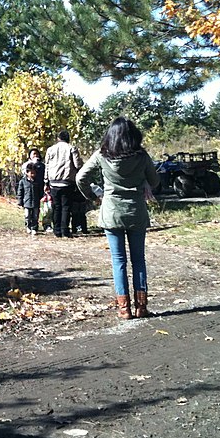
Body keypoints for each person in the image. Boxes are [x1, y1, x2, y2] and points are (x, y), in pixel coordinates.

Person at [76, 117, 160, 320]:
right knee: (139, 259)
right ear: (133, 136)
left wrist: (95, 194)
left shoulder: (102, 155)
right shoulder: (141, 155)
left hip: (111, 211)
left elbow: (80, 178)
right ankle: (141, 307)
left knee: (118, 261)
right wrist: (145, 184)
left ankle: (124, 310)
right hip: (136, 211)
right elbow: (155, 180)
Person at [44, 130, 83, 238]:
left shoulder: (50, 149)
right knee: (66, 207)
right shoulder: (72, 148)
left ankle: (57, 231)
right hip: (67, 182)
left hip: (53, 182)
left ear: (58, 138)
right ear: (68, 138)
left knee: (56, 207)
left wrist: (46, 182)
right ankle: (65, 230)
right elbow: (77, 164)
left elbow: (47, 166)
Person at [17, 163, 43, 235]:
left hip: (36, 202)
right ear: (27, 172)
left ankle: (34, 228)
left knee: (35, 216)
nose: (33, 174)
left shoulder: (38, 182)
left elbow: (41, 191)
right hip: (27, 202)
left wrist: (39, 198)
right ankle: (28, 226)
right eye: (31, 173)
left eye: (34, 173)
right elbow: (20, 192)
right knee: (27, 216)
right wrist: (20, 201)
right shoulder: (23, 182)